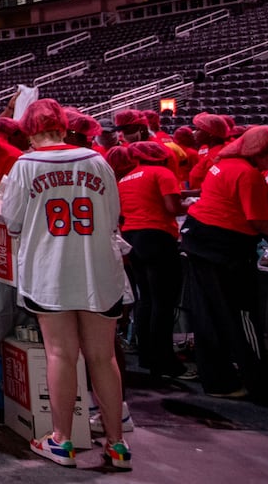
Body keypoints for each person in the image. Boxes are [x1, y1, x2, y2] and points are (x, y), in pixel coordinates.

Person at [0, 99, 131, 470]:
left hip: (51, 269)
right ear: (63, 125)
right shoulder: (96, 159)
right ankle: (117, 445)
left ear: (28, 129)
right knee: (102, 358)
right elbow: (114, 215)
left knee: (60, 354)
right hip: (98, 268)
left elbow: (13, 220)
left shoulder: (25, 165)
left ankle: (62, 439)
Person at [181, 126, 268, 408]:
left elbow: (264, 215)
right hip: (224, 249)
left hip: (201, 241)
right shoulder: (247, 174)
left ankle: (220, 382)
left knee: (209, 315)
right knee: (243, 319)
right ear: (259, 151)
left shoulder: (224, 164)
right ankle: (266, 391)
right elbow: (260, 221)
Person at [109, 141, 189, 379]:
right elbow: (171, 206)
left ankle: (147, 355)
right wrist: (194, 206)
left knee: (146, 300)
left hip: (133, 238)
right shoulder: (162, 173)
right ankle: (165, 361)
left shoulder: (127, 178)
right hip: (157, 236)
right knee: (163, 302)